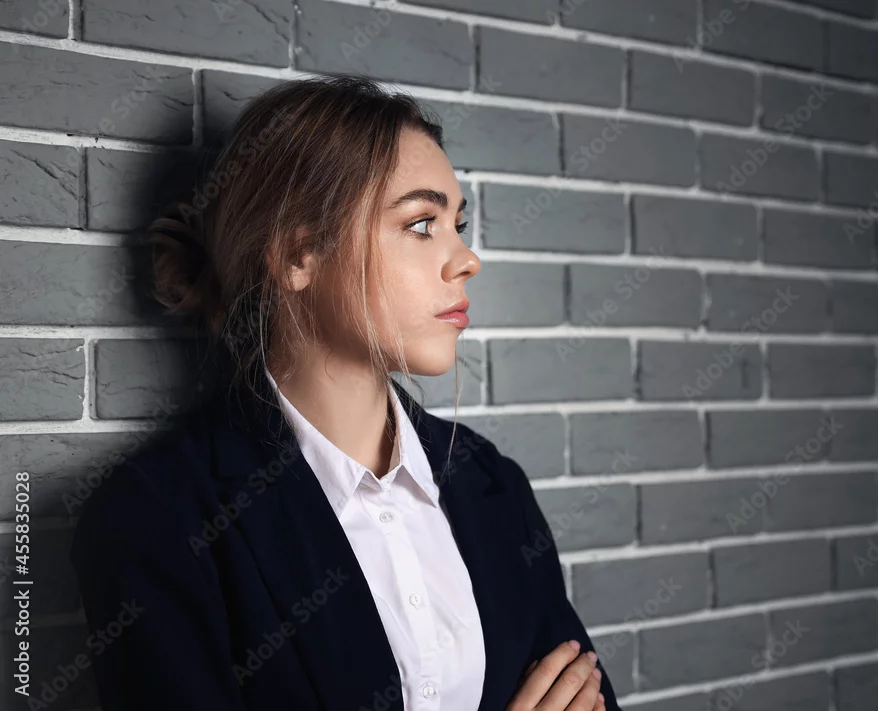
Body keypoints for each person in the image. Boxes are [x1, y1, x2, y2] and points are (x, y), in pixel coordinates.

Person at [69, 75, 620, 711]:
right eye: (422, 224)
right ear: (298, 255)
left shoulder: (493, 483)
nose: (467, 259)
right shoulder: (155, 516)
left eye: (458, 224)